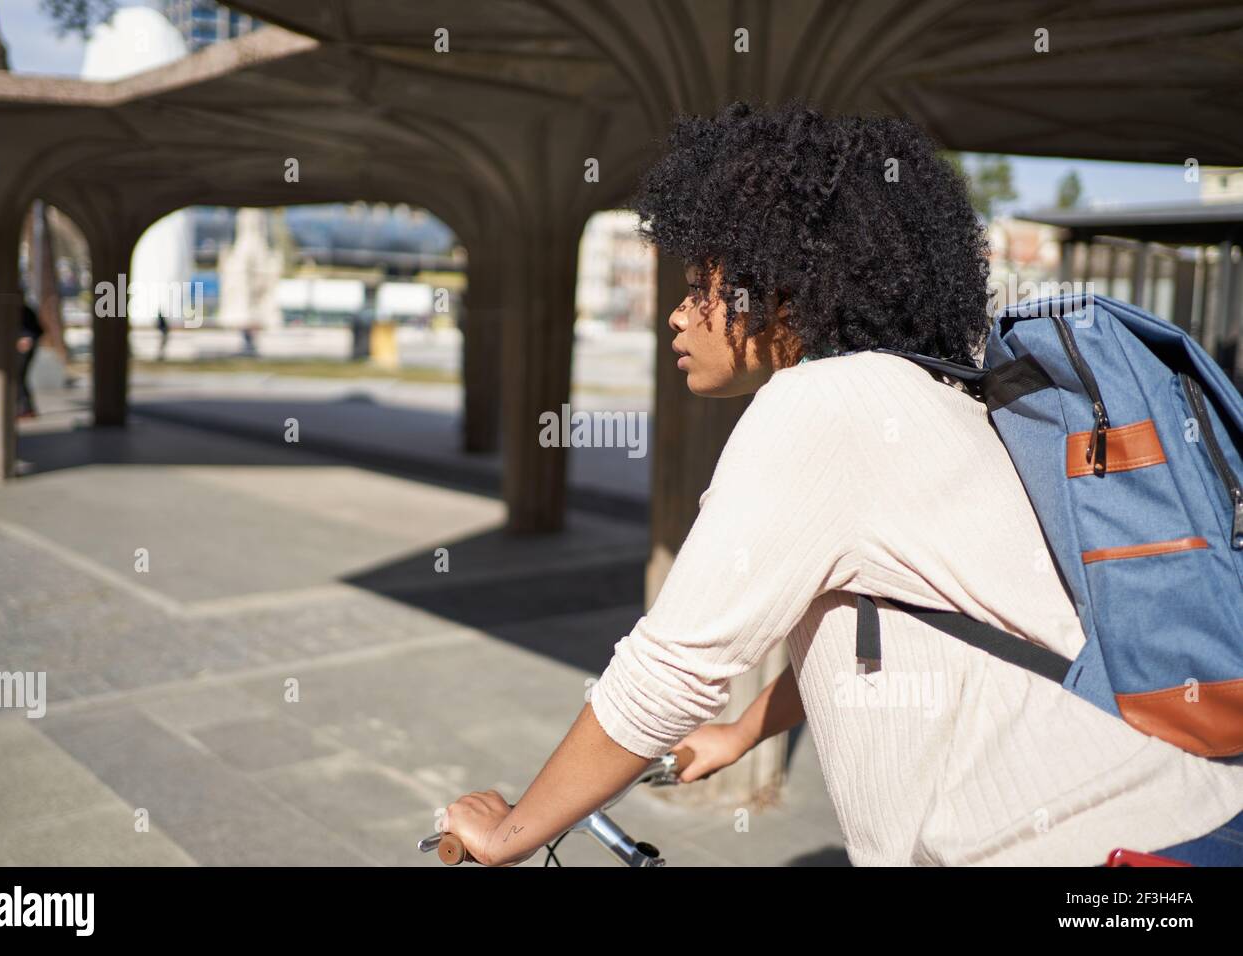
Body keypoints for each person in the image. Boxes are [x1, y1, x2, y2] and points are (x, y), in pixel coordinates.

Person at [441, 102, 1243, 867]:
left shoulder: (822, 403)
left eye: (698, 286)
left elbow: (670, 669)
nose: (677, 317)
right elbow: (893, 611)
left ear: (781, 285)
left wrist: (509, 834)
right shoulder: (927, 393)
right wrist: (743, 733)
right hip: (1175, 818)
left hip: (1088, 844)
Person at [15, 301, 43, 419]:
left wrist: (28, 338)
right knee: (17, 377)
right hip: (17, 348)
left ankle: (26, 409)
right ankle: (24, 408)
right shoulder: (17, 310)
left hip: (24, 348)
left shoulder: (25, 311)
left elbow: (38, 330)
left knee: (18, 376)